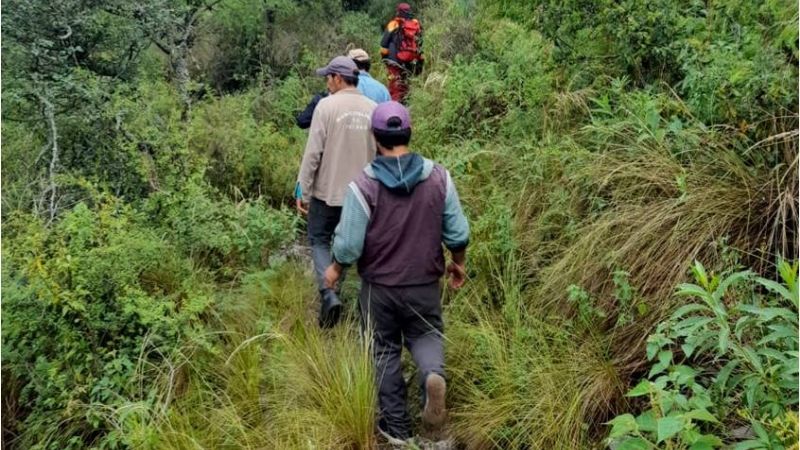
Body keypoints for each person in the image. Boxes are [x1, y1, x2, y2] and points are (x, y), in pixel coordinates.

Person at [324, 101, 470, 441]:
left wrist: (334, 269)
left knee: (383, 349)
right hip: (424, 283)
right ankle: (433, 376)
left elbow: (348, 246)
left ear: (376, 138)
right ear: (410, 133)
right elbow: (458, 233)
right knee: (426, 335)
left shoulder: (363, 186)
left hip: (380, 289)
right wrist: (458, 262)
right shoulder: (439, 177)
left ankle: (398, 430)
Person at [295, 55, 378, 328]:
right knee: (362, 249)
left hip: (326, 193)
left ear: (338, 78)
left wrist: (302, 189)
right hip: (363, 197)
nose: (326, 83)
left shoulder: (326, 107)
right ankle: (366, 314)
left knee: (319, 240)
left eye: (328, 77)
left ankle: (329, 294)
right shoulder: (373, 108)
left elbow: (313, 152)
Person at [380, 3, 424, 103]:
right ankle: (406, 106)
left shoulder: (393, 24)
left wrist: (385, 60)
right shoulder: (416, 25)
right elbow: (420, 44)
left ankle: (394, 107)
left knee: (395, 86)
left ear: (398, 11)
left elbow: (383, 44)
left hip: (394, 61)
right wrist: (420, 63)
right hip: (411, 60)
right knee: (406, 84)